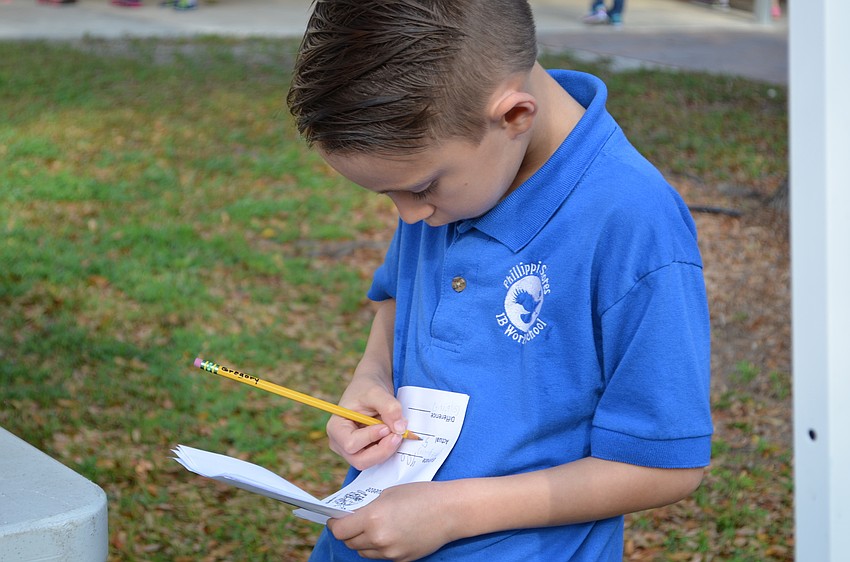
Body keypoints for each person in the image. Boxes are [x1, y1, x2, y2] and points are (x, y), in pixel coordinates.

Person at [287, 1, 712, 560]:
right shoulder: (450, 178)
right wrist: (372, 377)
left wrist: (452, 512)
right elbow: (398, 297)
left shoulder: (634, 223)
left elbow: (665, 466)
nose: (409, 216)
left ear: (514, 117)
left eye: (420, 188)